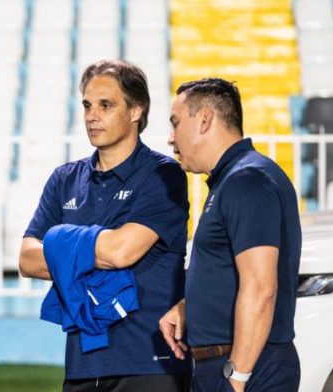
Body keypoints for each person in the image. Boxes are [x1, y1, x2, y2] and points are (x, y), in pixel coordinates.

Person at [19, 59, 191, 391]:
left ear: (135, 111)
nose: (91, 115)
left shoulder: (163, 174)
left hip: (150, 362)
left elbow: (121, 252)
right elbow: (27, 259)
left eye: (105, 105)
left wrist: (58, 241)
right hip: (83, 364)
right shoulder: (64, 179)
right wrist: (97, 246)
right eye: (86, 105)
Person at [159, 78, 301, 392]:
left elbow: (261, 288)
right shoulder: (236, 179)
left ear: (205, 119)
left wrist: (237, 377)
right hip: (235, 364)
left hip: (247, 367)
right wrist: (190, 306)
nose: (170, 138)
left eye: (176, 123)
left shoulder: (247, 180)